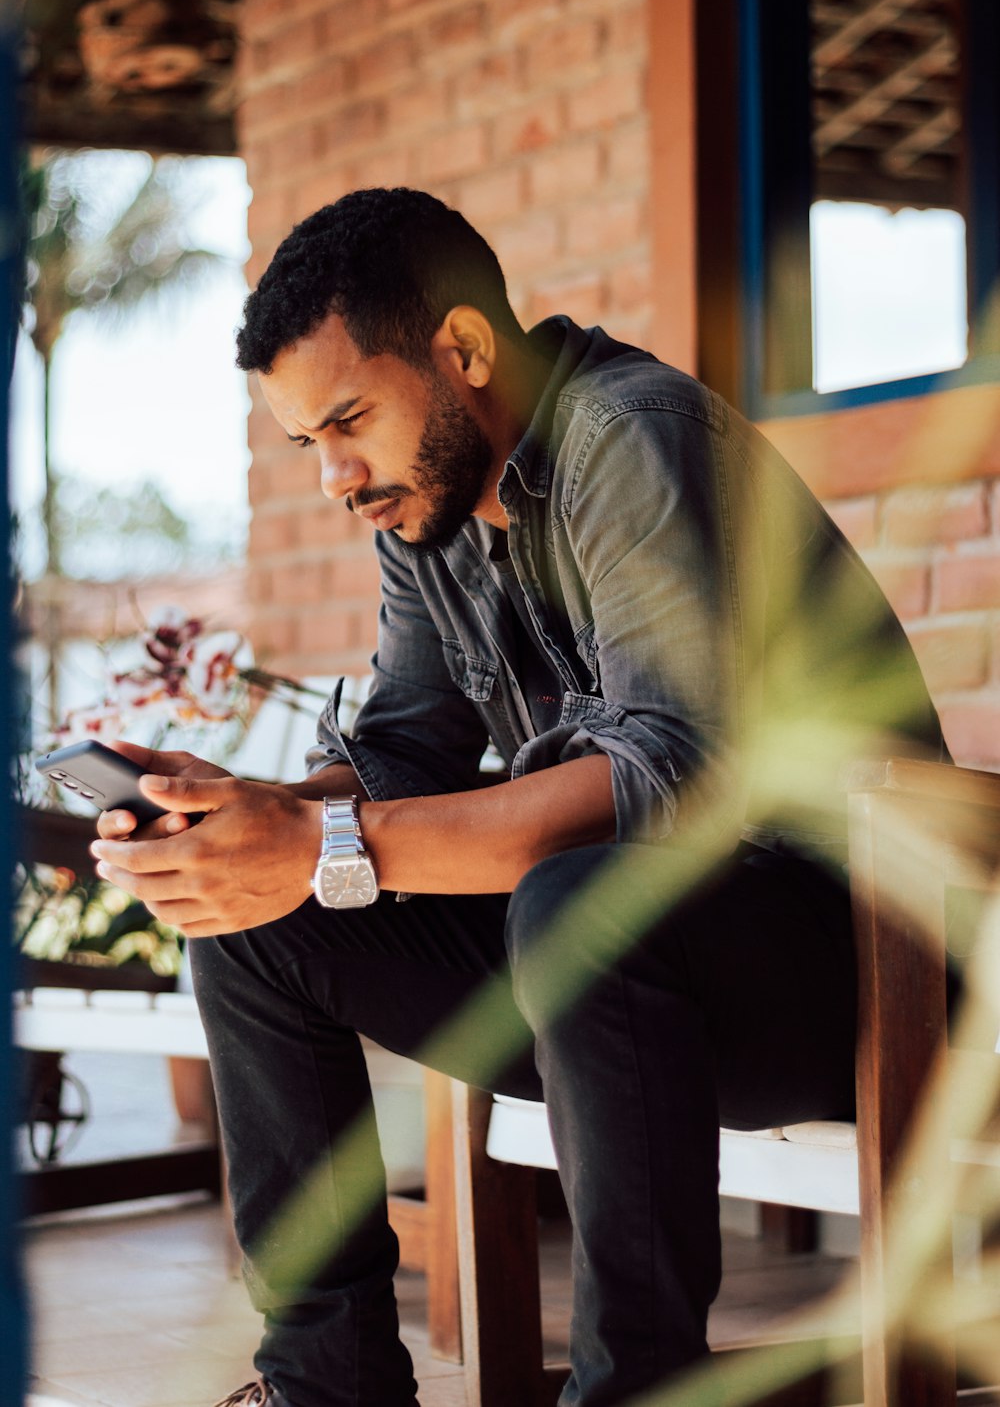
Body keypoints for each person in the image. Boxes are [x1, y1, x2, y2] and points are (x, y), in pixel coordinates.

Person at [92, 188, 946, 1407]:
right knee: (259, 923)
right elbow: (404, 756)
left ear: (464, 352)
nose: (335, 478)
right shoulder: (424, 511)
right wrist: (253, 819)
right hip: (619, 982)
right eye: (306, 444)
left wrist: (326, 840)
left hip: (851, 963)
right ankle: (324, 1387)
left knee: (570, 901)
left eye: (349, 421)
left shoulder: (630, 436)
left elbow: (662, 781)